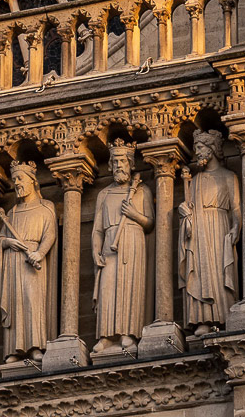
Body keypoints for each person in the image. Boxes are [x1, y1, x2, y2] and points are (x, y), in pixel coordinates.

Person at [91, 142, 150, 354]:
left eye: (123, 161)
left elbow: (150, 222)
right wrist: (96, 251)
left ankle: (128, 332)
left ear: (131, 164)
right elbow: (97, 229)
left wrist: (134, 214)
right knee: (108, 287)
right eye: (115, 162)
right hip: (109, 241)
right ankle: (106, 336)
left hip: (133, 240)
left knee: (129, 286)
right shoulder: (104, 194)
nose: (118, 166)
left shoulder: (141, 191)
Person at [0, 162, 56, 364]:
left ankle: (36, 346)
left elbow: (50, 234)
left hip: (32, 260)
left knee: (32, 300)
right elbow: (1, 239)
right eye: (14, 180)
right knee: (15, 302)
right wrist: (6, 242)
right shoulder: (11, 213)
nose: (17, 183)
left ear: (33, 181)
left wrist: (40, 253)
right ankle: (16, 348)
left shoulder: (45, 207)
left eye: (20, 179)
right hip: (14, 261)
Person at [178, 129, 239, 334]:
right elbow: (190, 207)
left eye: (201, 147)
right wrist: (185, 213)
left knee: (219, 270)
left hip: (219, 227)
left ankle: (223, 316)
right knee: (201, 269)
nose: (197, 152)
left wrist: (237, 226)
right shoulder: (194, 181)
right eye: (195, 148)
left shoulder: (228, 176)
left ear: (212, 149)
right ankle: (203, 318)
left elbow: (237, 207)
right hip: (199, 230)